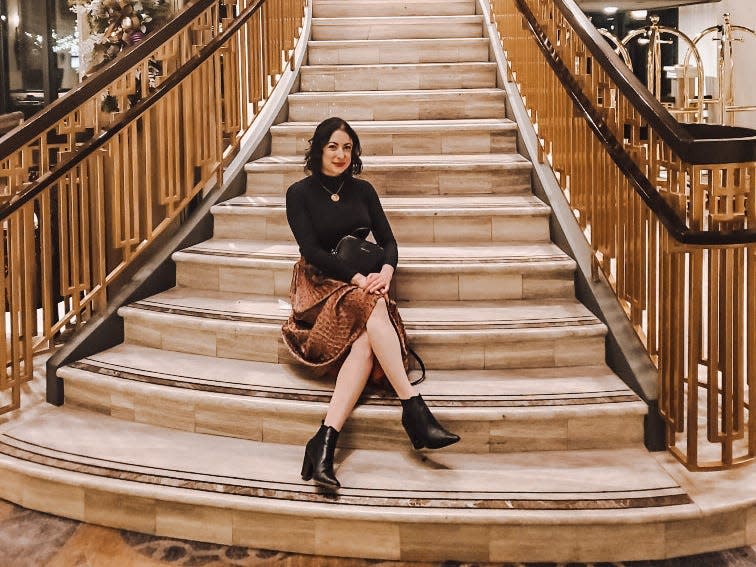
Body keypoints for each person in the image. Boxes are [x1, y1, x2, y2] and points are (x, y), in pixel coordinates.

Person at [282, 117, 460, 488]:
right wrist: (360, 278)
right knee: (372, 304)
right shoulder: (299, 193)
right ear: (317, 149)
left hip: (363, 283)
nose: (340, 154)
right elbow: (310, 250)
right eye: (332, 146)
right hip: (319, 282)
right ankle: (413, 409)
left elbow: (389, 243)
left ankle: (324, 443)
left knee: (365, 340)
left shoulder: (363, 190)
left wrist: (387, 273)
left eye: (347, 147)